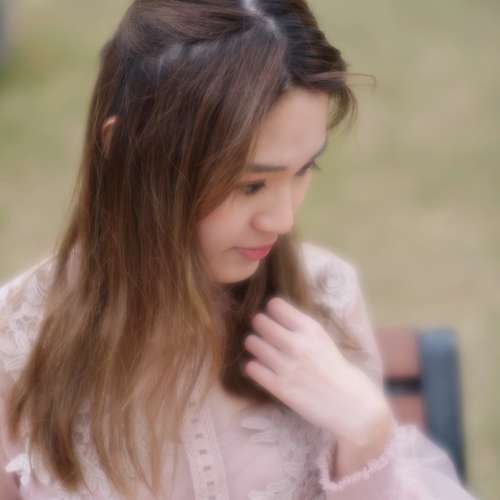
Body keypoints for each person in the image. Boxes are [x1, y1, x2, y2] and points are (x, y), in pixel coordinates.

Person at [0, 1, 477, 498]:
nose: (283, 220)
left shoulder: (325, 297)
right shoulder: (16, 340)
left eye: (305, 169)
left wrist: (367, 436)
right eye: (250, 185)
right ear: (124, 148)